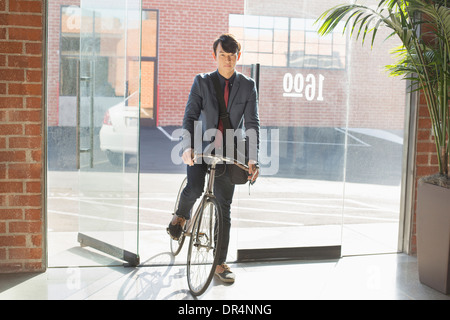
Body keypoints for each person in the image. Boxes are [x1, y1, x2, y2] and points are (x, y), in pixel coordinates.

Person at [167, 33, 260, 283]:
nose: (228, 61)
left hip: (228, 152)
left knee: (223, 208)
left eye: (232, 56)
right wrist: (186, 146)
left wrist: (253, 158)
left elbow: (252, 122)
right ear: (215, 55)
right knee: (195, 187)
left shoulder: (248, 85)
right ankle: (181, 215)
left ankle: (219, 263)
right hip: (199, 147)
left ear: (238, 57)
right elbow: (189, 117)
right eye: (223, 55)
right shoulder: (202, 82)